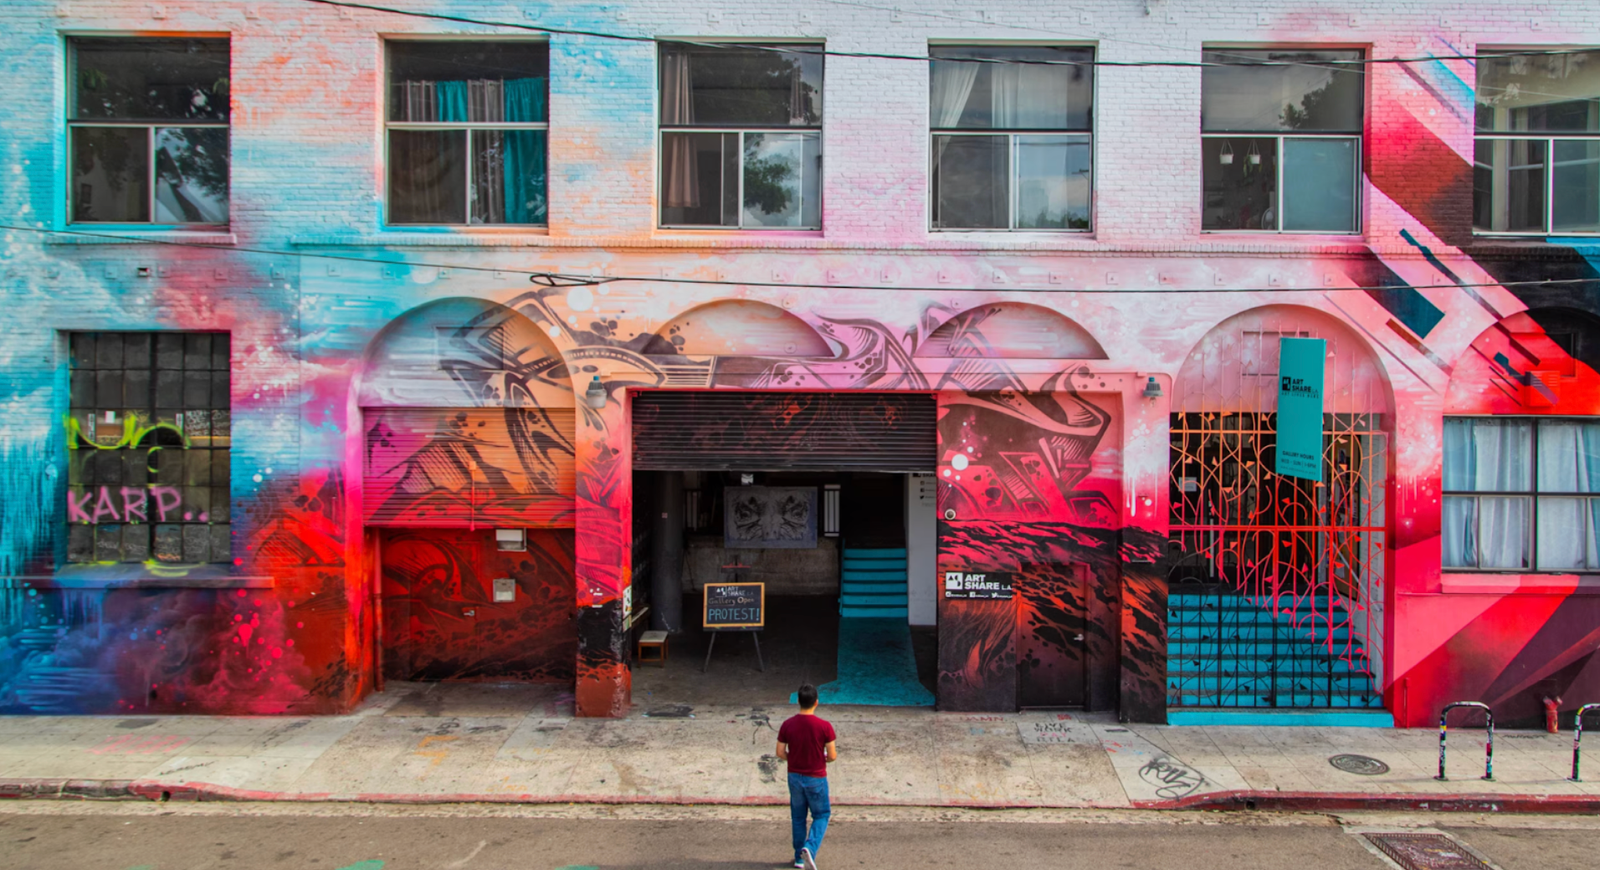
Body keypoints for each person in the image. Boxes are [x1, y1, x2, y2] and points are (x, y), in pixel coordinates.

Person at [776, 683, 837, 870]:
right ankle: (810, 847)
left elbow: (780, 752)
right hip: (816, 777)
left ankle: (799, 859)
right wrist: (821, 759)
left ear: (798, 701)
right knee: (822, 814)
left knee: (798, 817)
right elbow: (832, 756)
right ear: (816, 702)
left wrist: (793, 759)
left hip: (794, 776)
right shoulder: (825, 727)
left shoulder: (787, 725)